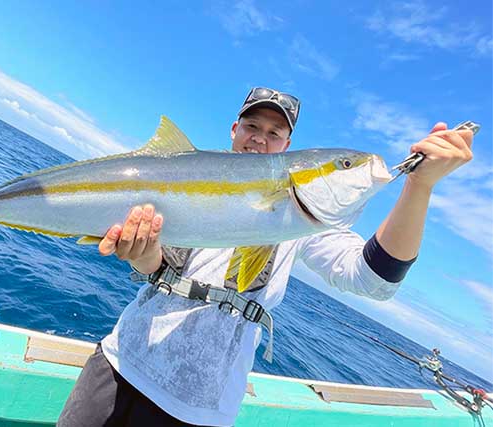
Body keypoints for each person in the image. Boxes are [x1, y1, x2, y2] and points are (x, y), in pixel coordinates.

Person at [57, 87, 474, 427]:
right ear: (235, 130)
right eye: (252, 126)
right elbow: (153, 266)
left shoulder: (302, 223)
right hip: (118, 365)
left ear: (288, 147)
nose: (260, 137)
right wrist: (141, 255)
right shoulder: (183, 179)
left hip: (198, 410)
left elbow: (374, 279)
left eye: (274, 133)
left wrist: (419, 187)